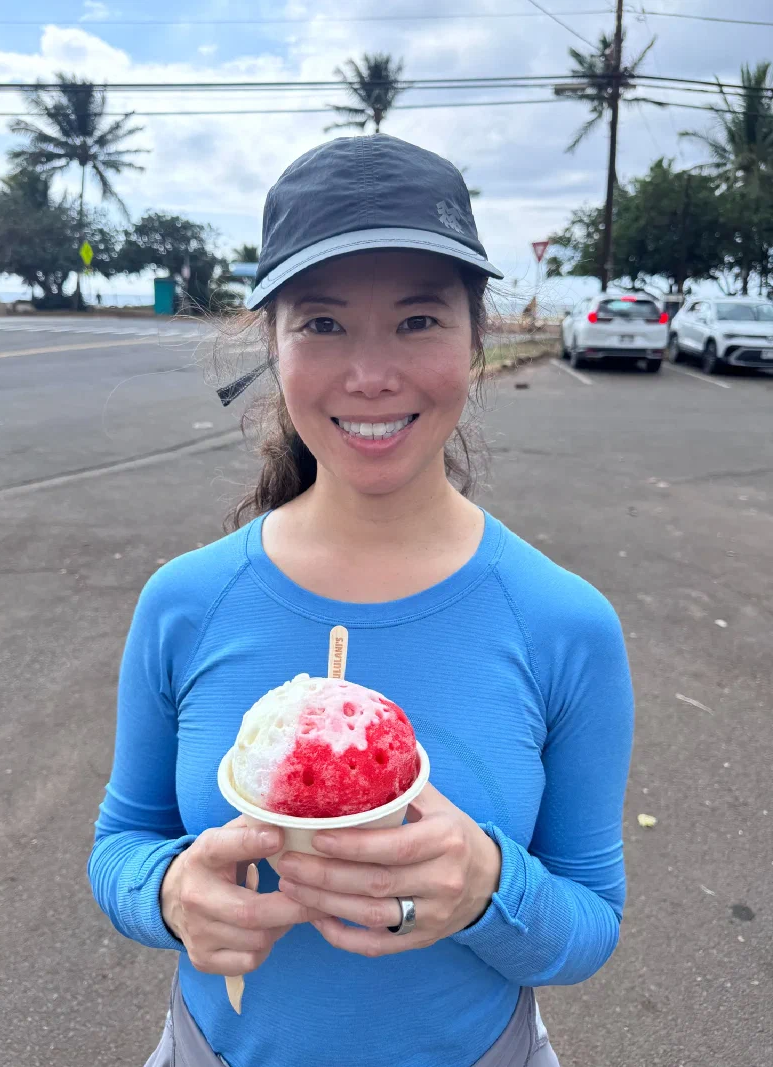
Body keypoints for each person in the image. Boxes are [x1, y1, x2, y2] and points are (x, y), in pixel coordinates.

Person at [88, 134, 634, 1067]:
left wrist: (490, 888)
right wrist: (169, 893)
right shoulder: (186, 602)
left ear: (478, 337)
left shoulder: (564, 624)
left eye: (418, 320)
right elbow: (122, 842)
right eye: (323, 323)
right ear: (273, 343)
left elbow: (591, 919)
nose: (371, 375)